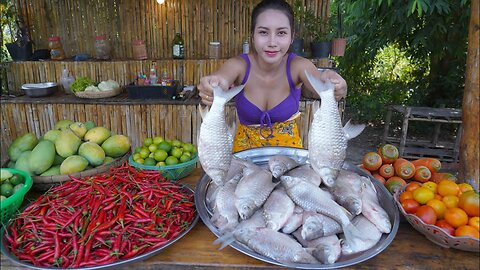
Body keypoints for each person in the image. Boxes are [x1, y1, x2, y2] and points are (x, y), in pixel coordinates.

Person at [197, 0, 347, 152]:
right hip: (245, 160)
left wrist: (336, 85)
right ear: (253, 35)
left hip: (289, 160)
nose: (272, 42)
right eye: (263, 32)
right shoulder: (240, 65)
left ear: (292, 36)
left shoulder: (298, 66)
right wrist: (213, 85)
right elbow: (221, 78)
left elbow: (321, 85)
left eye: (281, 33)